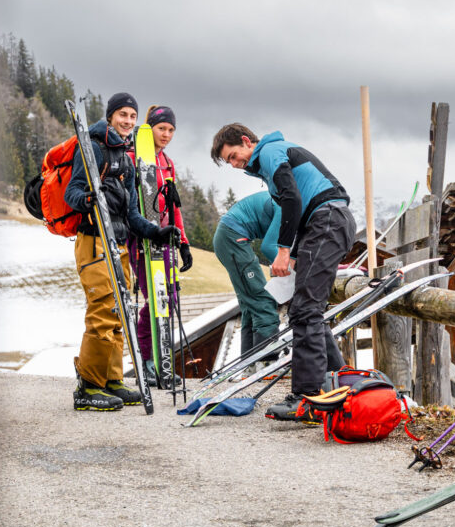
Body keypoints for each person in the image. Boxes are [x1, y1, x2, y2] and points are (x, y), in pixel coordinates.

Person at [210, 124, 355, 422]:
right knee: (307, 309)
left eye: (234, 156)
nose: (235, 165)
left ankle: (308, 397)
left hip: (327, 220)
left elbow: (292, 200)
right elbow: (296, 207)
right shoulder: (268, 162)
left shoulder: (271, 152)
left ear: (247, 141)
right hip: (323, 223)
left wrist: (285, 251)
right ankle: (339, 385)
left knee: (305, 310)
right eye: (229, 162)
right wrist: (295, 256)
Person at [65, 92, 179, 411]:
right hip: (94, 240)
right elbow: (71, 192)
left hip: (118, 243)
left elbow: (131, 214)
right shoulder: (93, 148)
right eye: (122, 115)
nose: (128, 121)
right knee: (103, 309)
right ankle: (88, 386)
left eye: (132, 116)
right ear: (111, 116)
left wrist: (156, 231)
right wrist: (88, 200)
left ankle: (112, 379)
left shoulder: (126, 160)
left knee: (120, 311)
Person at [127, 105, 193, 386]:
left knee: (169, 298)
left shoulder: (167, 162)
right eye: (161, 128)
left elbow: (173, 206)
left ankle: (161, 359)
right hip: (140, 238)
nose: (166, 134)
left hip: (165, 237)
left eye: (171, 130)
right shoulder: (131, 158)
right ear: (149, 128)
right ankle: (147, 361)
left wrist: (183, 243)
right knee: (154, 299)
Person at [213, 191, 282, 358]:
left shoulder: (287, 201)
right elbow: (269, 247)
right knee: (262, 300)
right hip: (232, 238)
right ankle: (267, 363)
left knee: (250, 305)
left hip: (229, 236)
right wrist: (292, 271)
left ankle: (249, 364)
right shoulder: (285, 206)